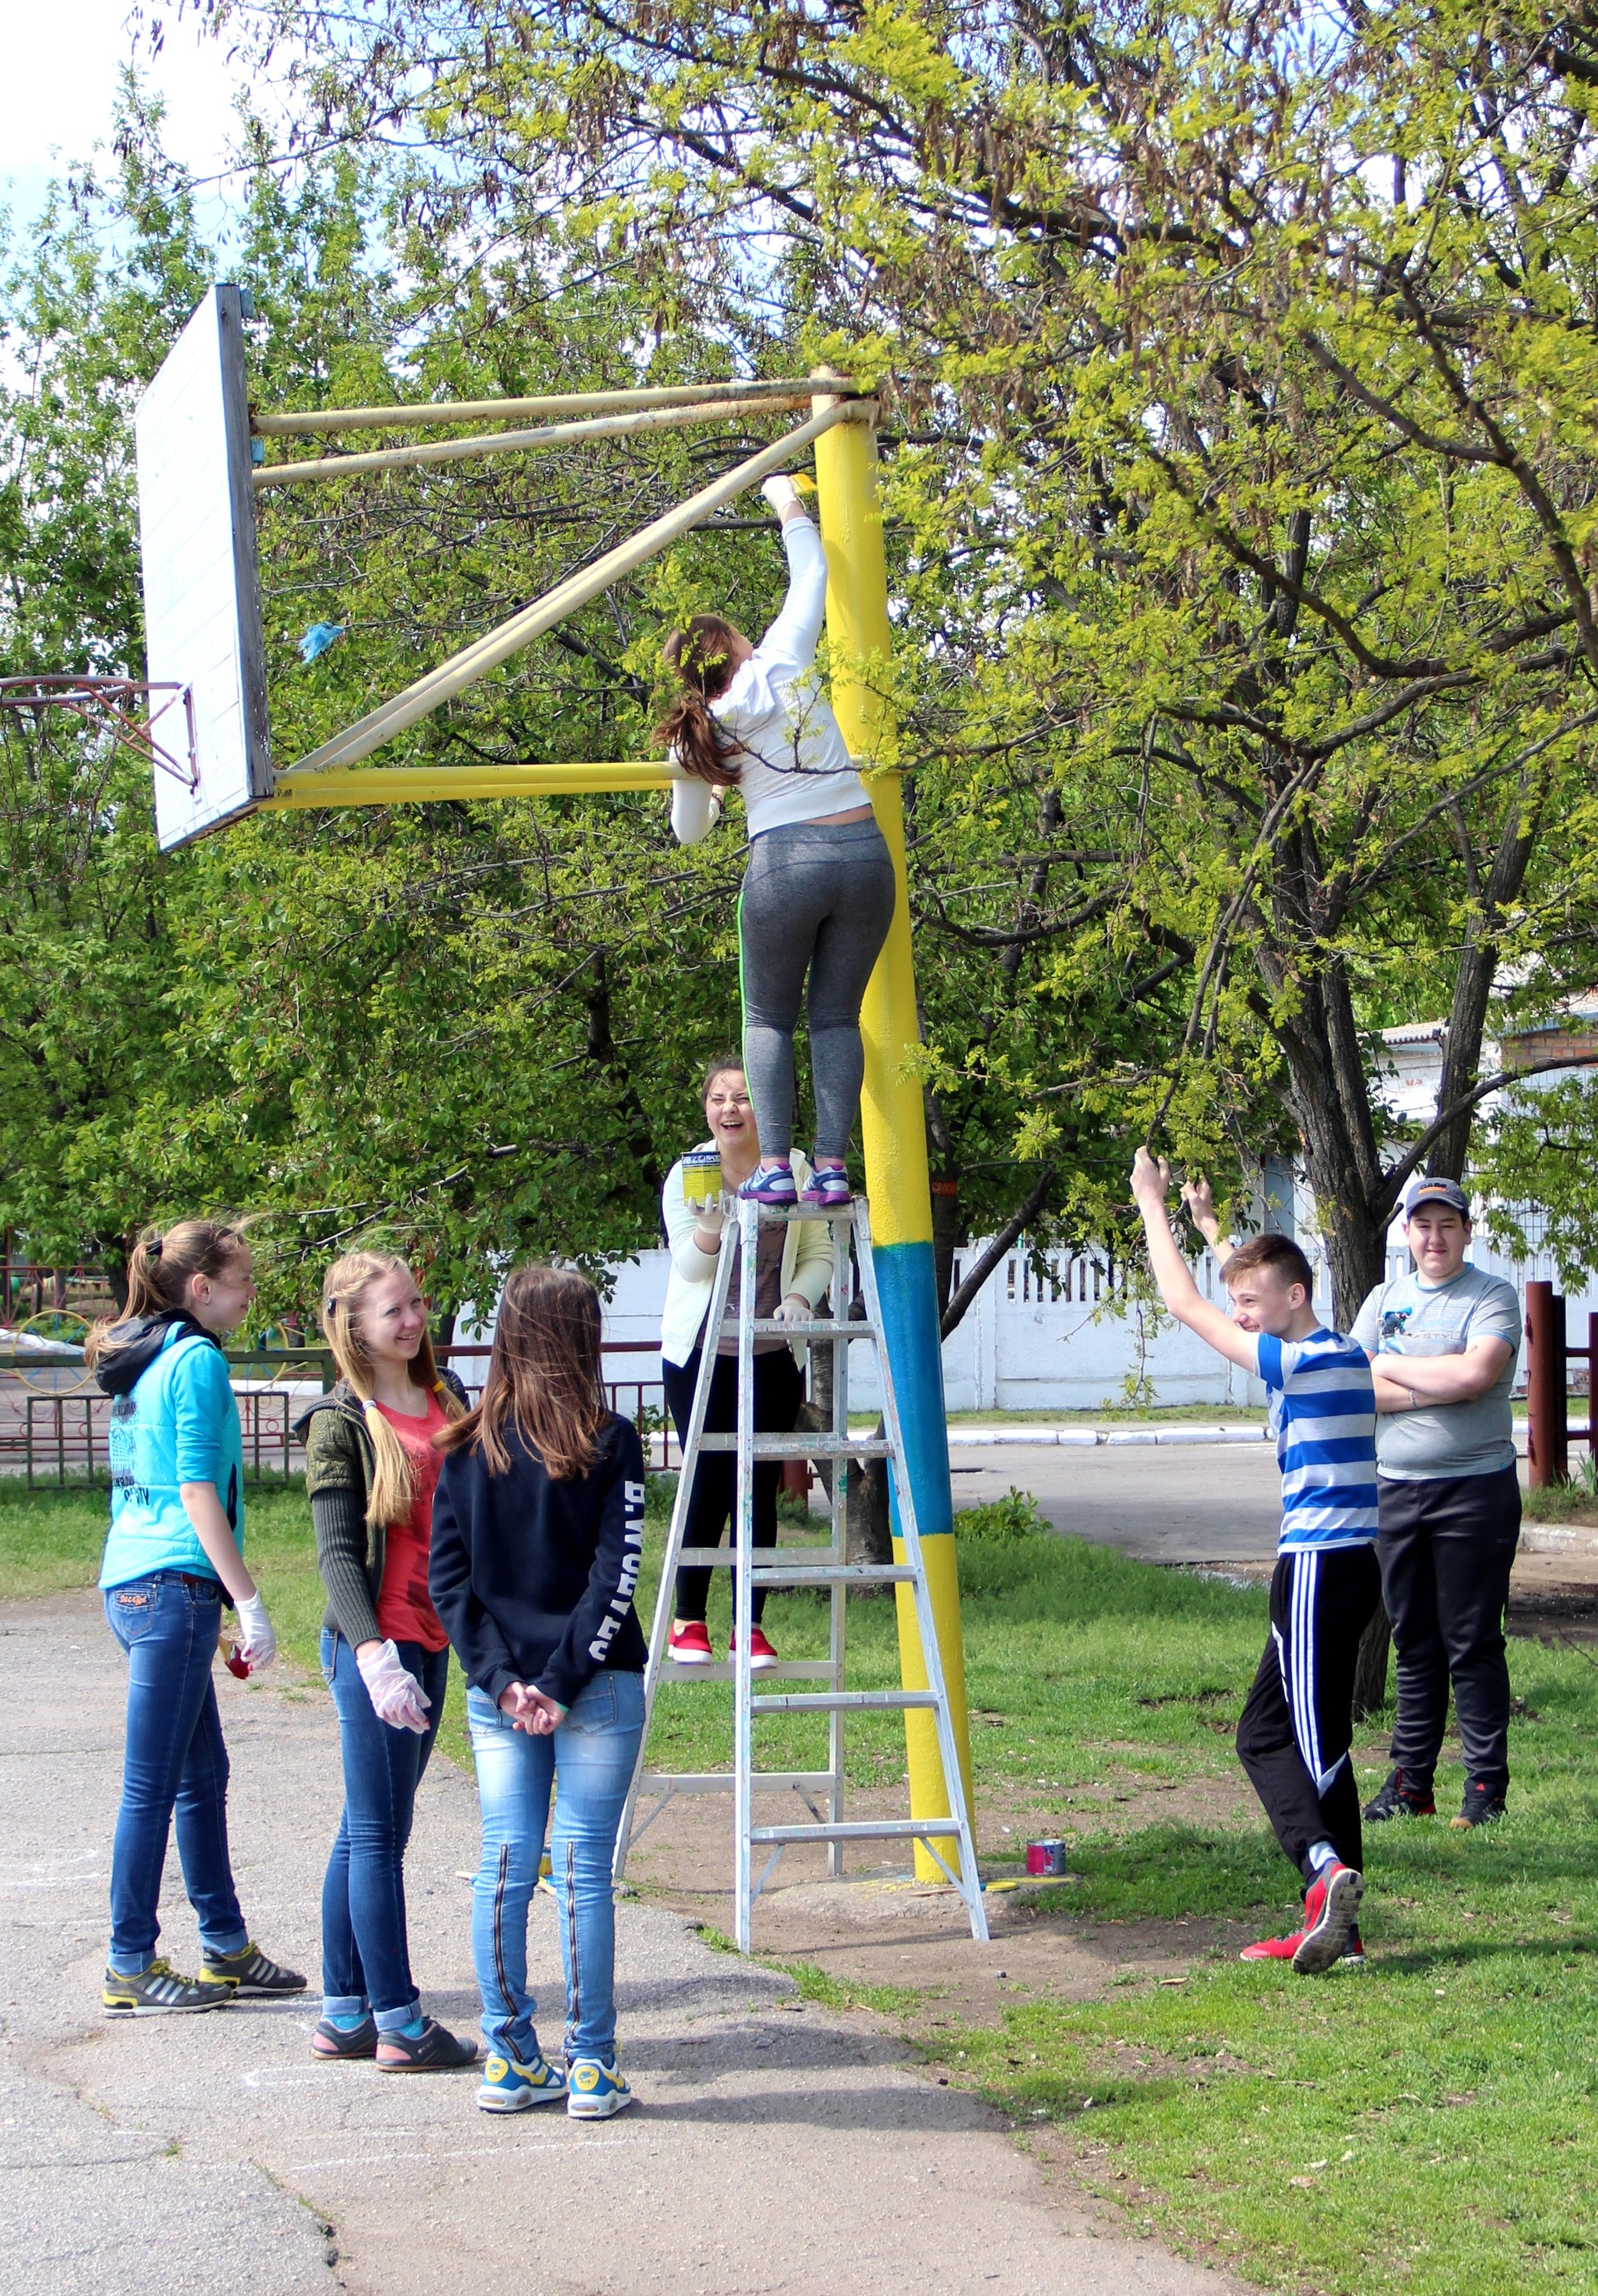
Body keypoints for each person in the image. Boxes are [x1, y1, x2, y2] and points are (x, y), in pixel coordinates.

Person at [1133, 1155, 1380, 1973]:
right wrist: (1211, 1228)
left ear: (1295, 1297)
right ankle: (1329, 1899)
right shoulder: (1331, 1348)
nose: (1239, 1313)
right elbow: (1251, 1288)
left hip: (1318, 1567)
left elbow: (1185, 1305)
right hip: (1335, 1568)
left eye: (1252, 1301)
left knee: (1316, 1742)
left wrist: (1151, 1203)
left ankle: (1327, 1881)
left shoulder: (1305, 1361)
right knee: (1263, 1730)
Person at [430, 1265, 649, 2120]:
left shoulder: (462, 1445)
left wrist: (505, 1680)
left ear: (507, 1336)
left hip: (507, 1691)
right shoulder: (611, 1437)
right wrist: (558, 1683)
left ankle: (508, 2053)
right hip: (592, 1684)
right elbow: (617, 1574)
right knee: (583, 1869)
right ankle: (590, 2062)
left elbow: (450, 1587)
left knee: (508, 1861)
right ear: (583, 1339)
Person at [658, 474, 896, 1211]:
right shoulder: (784, 659)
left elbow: (687, 831)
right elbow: (812, 570)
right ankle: (828, 1164)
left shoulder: (703, 733)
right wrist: (782, 495)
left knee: (766, 1017)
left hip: (783, 868)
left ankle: (771, 1167)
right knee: (835, 1015)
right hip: (862, 856)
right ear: (733, 643)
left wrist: (721, 790)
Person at [89, 1221, 305, 2016]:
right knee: (153, 1785)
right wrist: (246, 1603)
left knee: (199, 1775)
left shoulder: (144, 1358)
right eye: (243, 1279)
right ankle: (129, 1959)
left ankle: (225, 1945)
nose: (253, 1292)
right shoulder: (198, 1361)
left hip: (136, 1581)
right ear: (201, 1288)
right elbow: (195, 1492)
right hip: (172, 1586)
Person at [295, 1250, 476, 2071]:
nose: (411, 1320)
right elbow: (337, 1553)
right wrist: (371, 1653)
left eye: (415, 1304)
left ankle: (344, 2013)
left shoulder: (448, 1396)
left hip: (434, 1641)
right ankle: (399, 2018)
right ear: (354, 1327)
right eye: (393, 1310)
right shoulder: (339, 1421)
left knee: (371, 1826)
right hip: (375, 1647)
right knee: (376, 1832)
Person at [1349, 1178, 1522, 1829]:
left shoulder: (1491, 1295)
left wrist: (1393, 1366)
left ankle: (1484, 1788)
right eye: (1422, 1225)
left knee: (1472, 1640)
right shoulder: (1383, 1298)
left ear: (1466, 1231)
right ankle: (1411, 1784)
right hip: (1395, 1488)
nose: (1434, 1237)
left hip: (1475, 1489)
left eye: (1446, 1224)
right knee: (1414, 1641)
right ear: (1407, 1233)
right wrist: (1434, 1385)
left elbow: (1477, 1375)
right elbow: (1356, 1384)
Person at [659, 1057, 835, 1667]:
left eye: (743, 1097)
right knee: (706, 1479)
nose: (730, 1108)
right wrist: (712, 1225)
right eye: (718, 1098)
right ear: (706, 1109)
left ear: (769, 1108)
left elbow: (819, 1251)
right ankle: (688, 1622)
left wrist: (797, 1297)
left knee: (756, 1485)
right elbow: (689, 1265)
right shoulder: (689, 1172)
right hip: (701, 1355)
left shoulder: (796, 1170)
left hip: (768, 1352)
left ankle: (749, 1626)